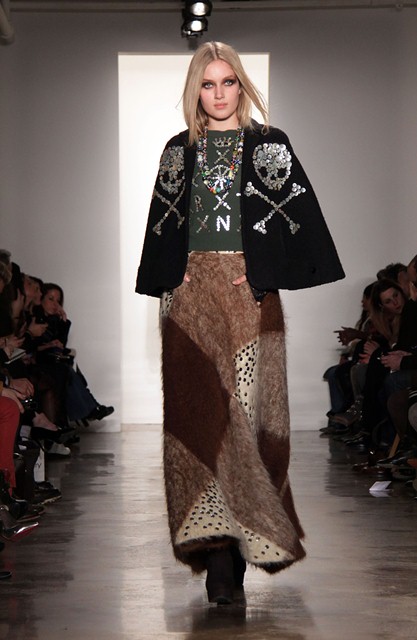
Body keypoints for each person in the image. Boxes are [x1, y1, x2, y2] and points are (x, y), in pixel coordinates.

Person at [135, 41, 344, 605]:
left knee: (247, 423)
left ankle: (246, 544)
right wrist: (174, 276)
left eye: (228, 82)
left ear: (242, 85)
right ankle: (218, 555)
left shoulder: (269, 144)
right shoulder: (178, 150)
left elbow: (301, 219)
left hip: (248, 298)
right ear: (195, 90)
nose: (219, 93)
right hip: (189, 299)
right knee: (195, 421)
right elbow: (162, 224)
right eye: (208, 84)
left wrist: (261, 267)